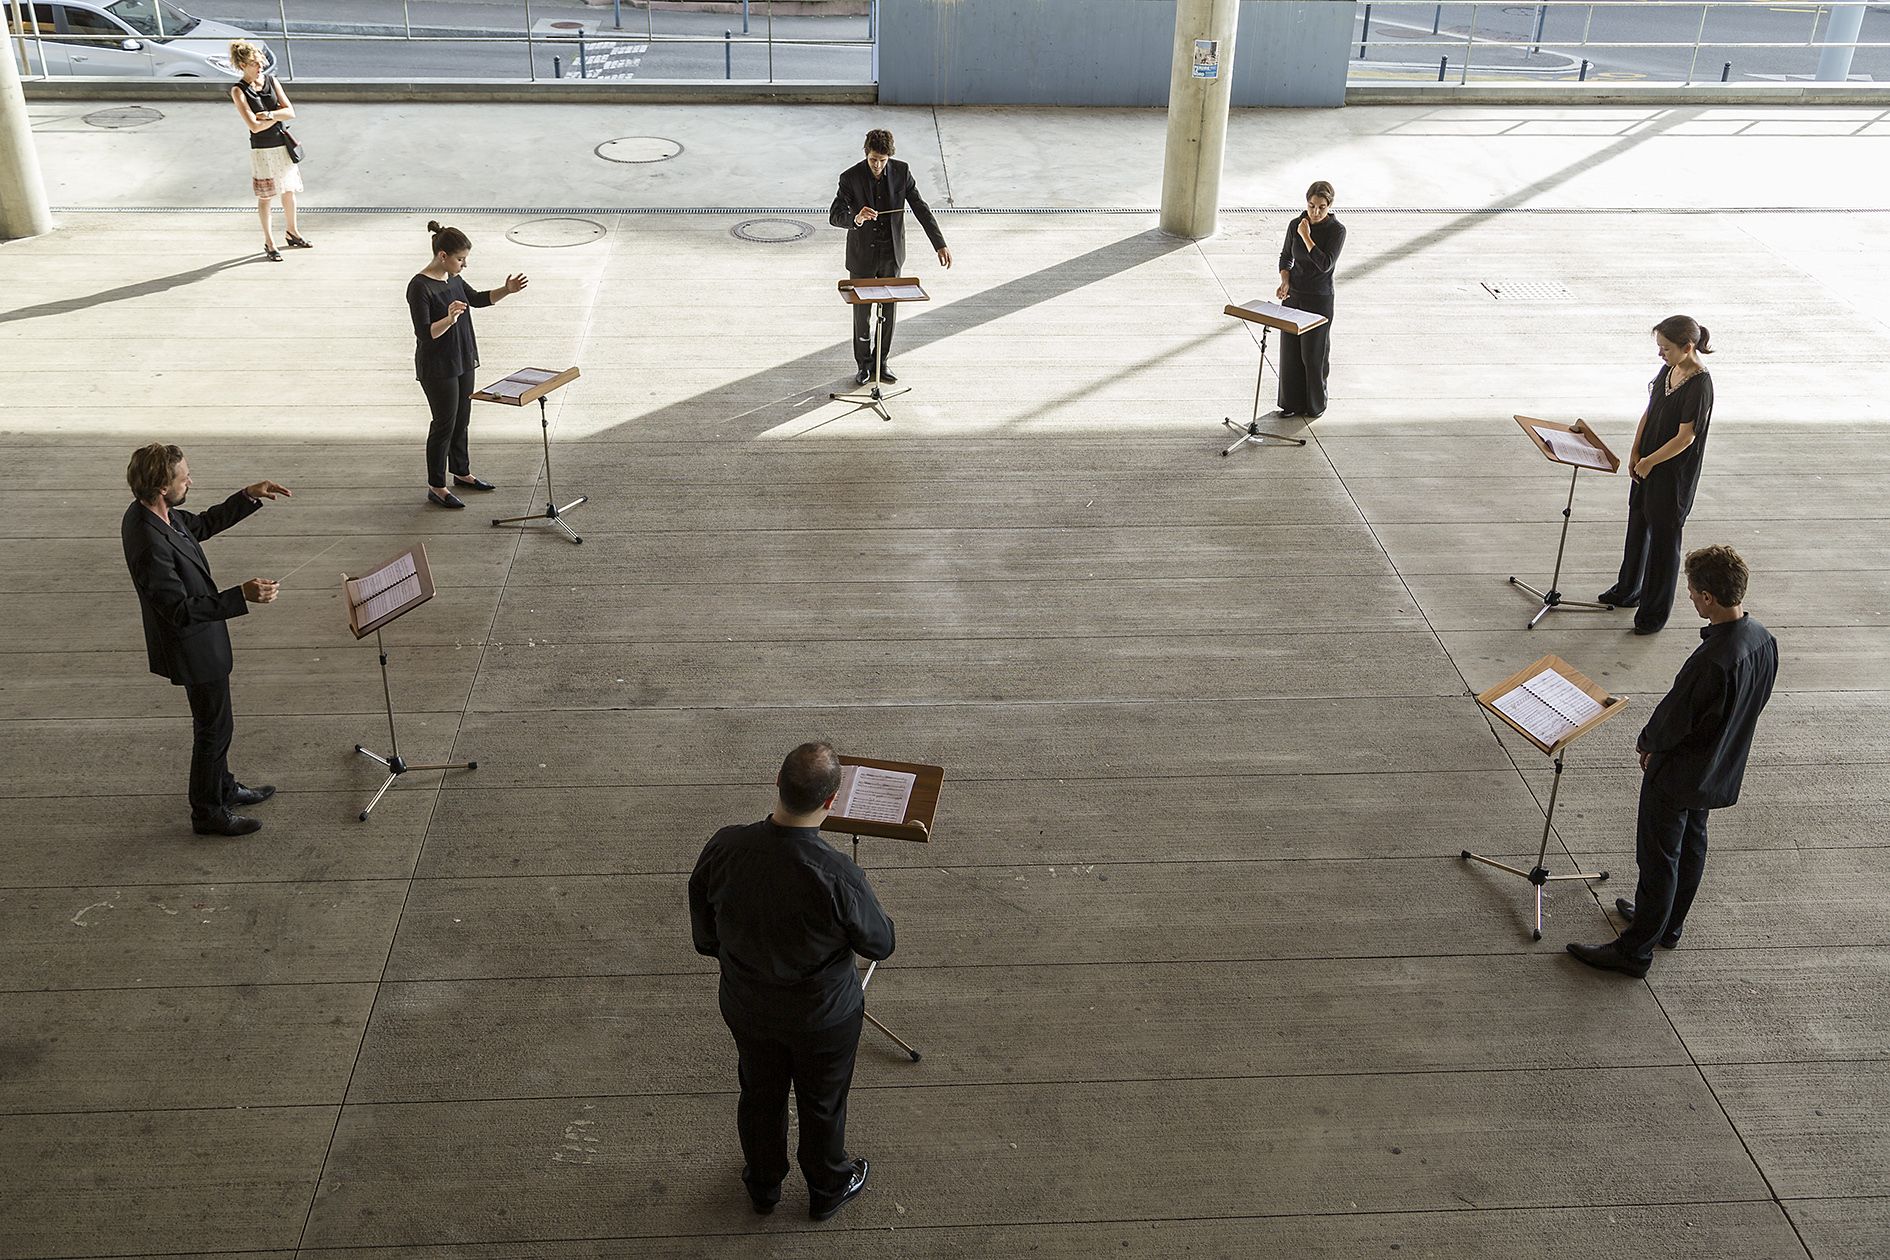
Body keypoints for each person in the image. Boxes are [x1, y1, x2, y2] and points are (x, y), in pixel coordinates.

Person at [688, 741, 896, 1222]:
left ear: (776, 785)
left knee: (759, 1093)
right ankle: (826, 1187)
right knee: (822, 1102)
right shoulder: (837, 875)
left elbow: (705, 935)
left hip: (747, 1004)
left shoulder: (725, 846)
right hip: (822, 1016)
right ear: (830, 803)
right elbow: (880, 944)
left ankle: (763, 1187)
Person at [1568, 545, 1777, 978]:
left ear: (1707, 598)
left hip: (1679, 772)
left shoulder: (1711, 661)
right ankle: (1666, 924)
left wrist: (1648, 744)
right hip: (1717, 767)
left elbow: (1674, 719)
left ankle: (1635, 951)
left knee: (1658, 859)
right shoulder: (1761, 639)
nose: (1688, 596)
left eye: (1691, 590)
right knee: (1692, 844)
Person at [120, 444, 292, 837]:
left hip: (203, 638)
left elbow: (198, 525)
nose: (190, 481)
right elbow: (177, 609)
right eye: (184, 477)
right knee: (213, 728)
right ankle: (208, 812)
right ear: (163, 487)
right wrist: (240, 596)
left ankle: (223, 787)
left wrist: (247, 496)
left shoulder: (160, 515)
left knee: (218, 723)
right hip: (190, 644)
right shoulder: (147, 538)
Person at [1598, 315, 1716, 634]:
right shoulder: (1669, 369)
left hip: (1672, 474)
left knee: (1664, 543)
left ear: (1687, 347)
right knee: (1637, 525)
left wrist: (1650, 461)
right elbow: (1649, 411)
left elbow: (1686, 437)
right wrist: (1636, 451)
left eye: (1665, 348)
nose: (1660, 354)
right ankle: (1628, 589)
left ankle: (1654, 613)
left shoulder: (1700, 384)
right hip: (1647, 462)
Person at [407, 220, 528, 508]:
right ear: (443, 256)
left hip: (462, 359)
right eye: (461, 259)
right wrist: (449, 319)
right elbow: (425, 334)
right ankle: (436, 486)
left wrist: (506, 290)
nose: (464, 265)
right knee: (444, 424)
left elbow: (477, 299)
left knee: (462, 419)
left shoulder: (454, 280)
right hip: (437, 366)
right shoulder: (419, 286)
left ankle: (461, 472)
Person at [828, 129, 952, 386]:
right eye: (873, 159)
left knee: (889, 311)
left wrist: (939, 244)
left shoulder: (902, 172)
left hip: (891, 255)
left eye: (882, 161)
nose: (877, 165)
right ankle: (863, 366)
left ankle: (881, 363)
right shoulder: (849, 177)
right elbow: (834, 215)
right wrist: (857, 218)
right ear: (866, 153)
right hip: (862, 257)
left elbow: (920, 207)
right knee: (862, 315)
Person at [228, 41, 308, 262]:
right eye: (255, 63)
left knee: (289, 191)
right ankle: (269, 242)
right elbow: (252, 126)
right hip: (262, 150)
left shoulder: (271, 81)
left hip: (281, 145)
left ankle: (293, 232)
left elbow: (290, 112)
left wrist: (269, 115)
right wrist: (275, 115)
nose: (260, 67)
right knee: (266, 197)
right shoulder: (238, 91)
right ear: (243, 64)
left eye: (260, 62)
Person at [1274, 180, 1345, 418]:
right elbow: (1286, 258)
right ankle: (1291, 404)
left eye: (1321, 207)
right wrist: (1285, 280)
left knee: (1313, 355)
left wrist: (1306, 236)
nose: (1314, 212)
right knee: (1291, 353)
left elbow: (1325, 264)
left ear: (1330, 206)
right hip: (1294, 296)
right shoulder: (1295, 223)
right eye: (1311, 205)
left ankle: (1315, 405)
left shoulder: (1337, 231)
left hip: (1319, 299)